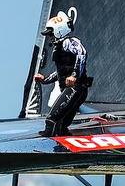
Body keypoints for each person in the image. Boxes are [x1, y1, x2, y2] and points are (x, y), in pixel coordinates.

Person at [34, 7, 90, 137]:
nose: (50, 37)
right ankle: (64, 140)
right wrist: (45, 79)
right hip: (75, 89)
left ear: (59, 30)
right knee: (63, 123)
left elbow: (82, 54)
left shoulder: (69, 42)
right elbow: (60, 72)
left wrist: (74, 75)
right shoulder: (59, 47)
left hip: (76, 88)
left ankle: (48, 141)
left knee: (52, 119)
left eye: (50, 33)